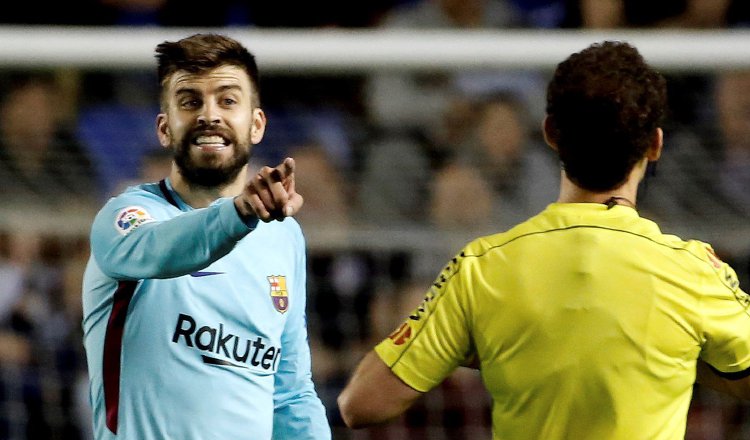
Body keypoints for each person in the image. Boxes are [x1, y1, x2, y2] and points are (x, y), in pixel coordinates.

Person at [337, 40, 750, 439]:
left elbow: (361, 403)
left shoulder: (482, 268)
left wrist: (489, 346)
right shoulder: (692, 271)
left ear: (551, 133)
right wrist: (670, 354)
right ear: (655, 144)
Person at [81, 33, 330, 440]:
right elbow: (161, 251)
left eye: (227, 101)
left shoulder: (283, 237)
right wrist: (239, 212)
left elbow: (290, 394)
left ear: (257, 124)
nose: (209, 115)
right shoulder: (126, 218)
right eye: (190, 101)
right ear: (165, 128)